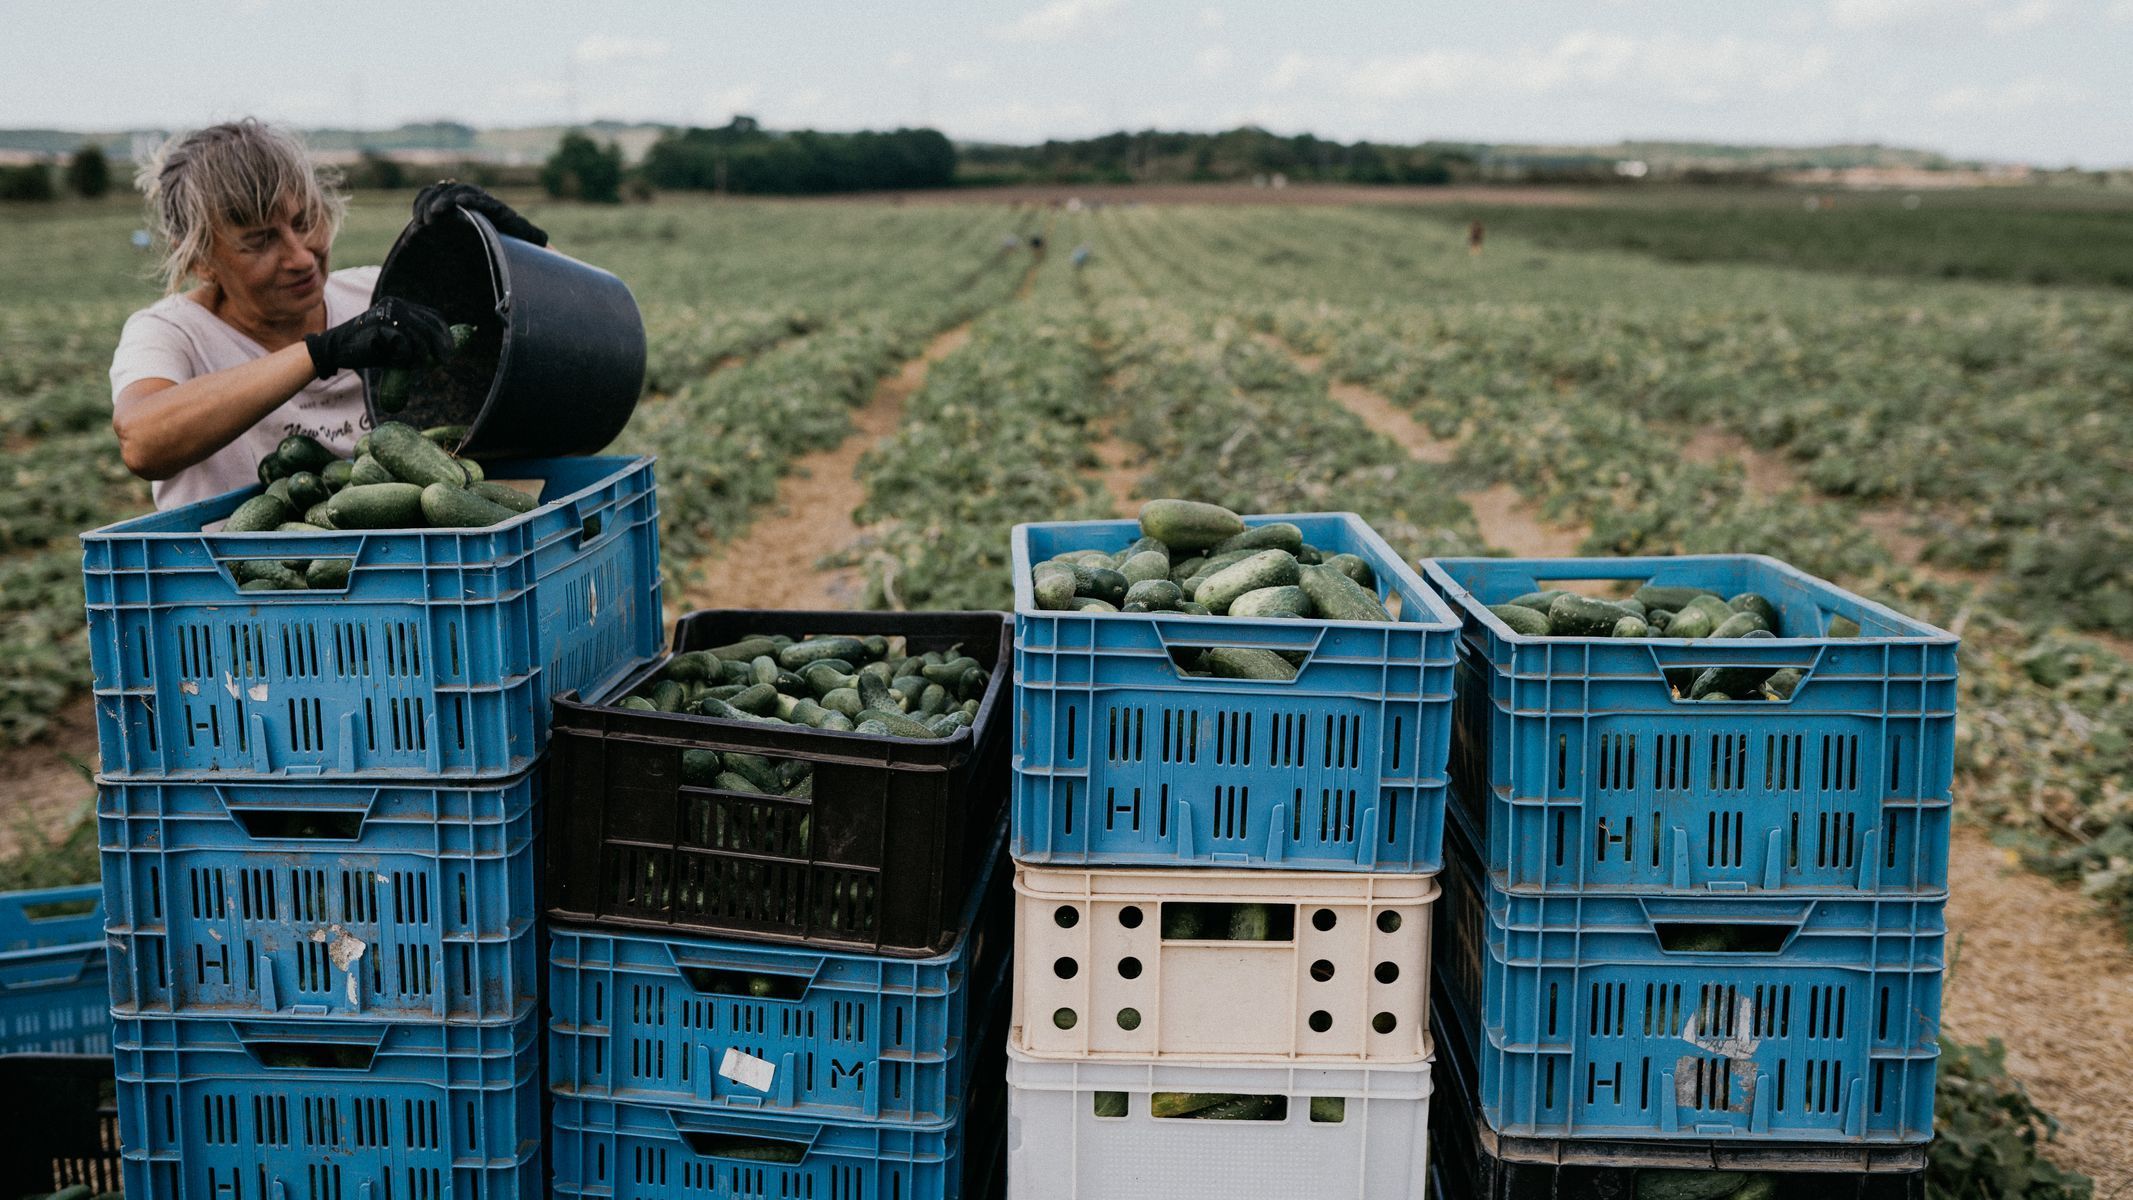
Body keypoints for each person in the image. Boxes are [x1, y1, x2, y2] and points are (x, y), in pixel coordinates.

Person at [109, 119, 548, 510]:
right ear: (200, 260)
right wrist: (322, 352)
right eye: (260, 241)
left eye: (304, 222)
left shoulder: (377, 294)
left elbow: (575, 333)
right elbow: (142, 442)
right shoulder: (172, 332)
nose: (301, 257)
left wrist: (520, 247)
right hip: (233, 591)